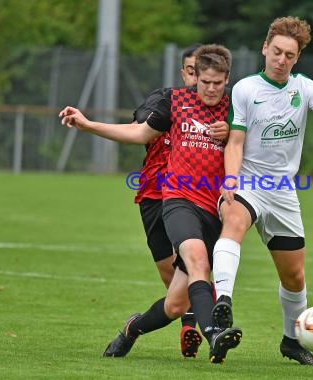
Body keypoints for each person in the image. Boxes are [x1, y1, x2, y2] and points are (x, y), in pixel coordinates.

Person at [58, 44, 242, 364]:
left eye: (218, 82)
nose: (211, 89)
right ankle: (213, 333)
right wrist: (88, 125)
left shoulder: (236, 108)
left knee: (174, 305)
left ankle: (132, 329)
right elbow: (138, 134)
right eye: (205, 81)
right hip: (178, 200)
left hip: (214, 209)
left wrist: (231, 133)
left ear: (227, 80)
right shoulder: (176, 102)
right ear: (193, 76)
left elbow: (251, 146)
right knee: (196, 258)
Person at [210, 16, 313, 366]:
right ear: (265, 48)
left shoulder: (305, 88)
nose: (281, 59)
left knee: (294, 276)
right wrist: (231, 178)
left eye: (289, 55)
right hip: (249, 182)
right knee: (233, 218)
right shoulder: (246, 89)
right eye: (276, 51)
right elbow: (236, 141)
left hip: (283, 191)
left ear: (297, 58)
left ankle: (292, 342)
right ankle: (223, 302)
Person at [132, 43, 216, 359]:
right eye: (192, 71)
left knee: (198, 266)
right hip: (155, 194)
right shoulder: (166, 100)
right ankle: (188, 323)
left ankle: (195, 328)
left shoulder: (221, 107)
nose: (198, 79)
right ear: (185, 73)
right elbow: (143, 123)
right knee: (171, 277)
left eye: (204, 72)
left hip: (195, 197)